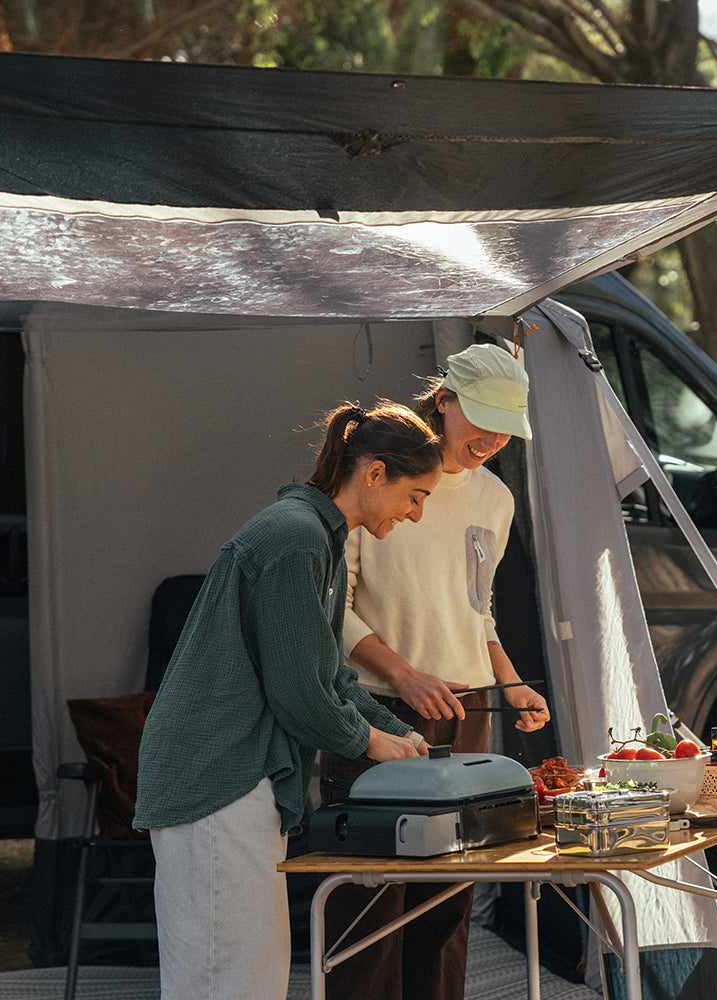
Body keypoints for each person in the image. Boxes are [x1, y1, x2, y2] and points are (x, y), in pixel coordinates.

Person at [132, 400, 444, 1000]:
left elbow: (331, 677)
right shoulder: (296, 538)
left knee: (250, 972)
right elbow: (301, 695)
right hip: (216, 777)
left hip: (236, 777)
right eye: (417, 494)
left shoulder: (316, 537)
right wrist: (376, 744)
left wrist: (403, 737)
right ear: (374, 472)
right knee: (226, 977)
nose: (417, 514)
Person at [317, 342, 551, 1000]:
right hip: (375, 712)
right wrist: (407, 674)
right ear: (443, 400)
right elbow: (335, 610)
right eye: (481, 418)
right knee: (371, 902)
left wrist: (510, 682)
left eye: (506, 427)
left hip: (468, 713)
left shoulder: (497, 500)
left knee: (448, 902)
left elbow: (478, 613)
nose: (491, 438)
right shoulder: (377, 475)